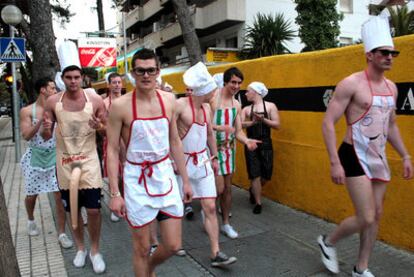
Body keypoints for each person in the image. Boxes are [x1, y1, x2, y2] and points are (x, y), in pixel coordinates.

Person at [319, 16, 413, 277]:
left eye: (393, 53)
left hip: (378, 156)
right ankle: (328, 242)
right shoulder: (351, 84)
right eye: (384, 53)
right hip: (352, 156)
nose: (390, 57)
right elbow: (328, 123)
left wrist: (405, 155)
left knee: (377, 214)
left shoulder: (392, 88)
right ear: (369, 54)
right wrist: (334, 161)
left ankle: (361, 268)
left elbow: (391, 125)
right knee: (366, 216)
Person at [106, 48, 192, 276]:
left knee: (173, 245)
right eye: (141, 71)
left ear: (158, 71)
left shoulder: (170, 100)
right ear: (132, 74)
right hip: (136, 179)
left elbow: (175, 141)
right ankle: (145, 268)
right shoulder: (120, 106)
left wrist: (186, 181)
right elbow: (112, 151)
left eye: (150, 70)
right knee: (142, 248)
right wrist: (115, 193)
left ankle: (151, 266)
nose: (146, 76)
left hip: (165, 175)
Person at [42, 65, 107, 274]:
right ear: (63, 79)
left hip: (88, 162)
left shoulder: (95, 100)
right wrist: (44, 128)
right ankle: (80, 248)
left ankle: (95, 251)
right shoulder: (53, 102)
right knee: (73, 210)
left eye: (76, 77)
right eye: (68, 77)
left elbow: (107, 131)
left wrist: (99, 127)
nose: (73, 81)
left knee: (94, 211)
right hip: (65, 164)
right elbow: (46, 135)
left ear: (82, 78)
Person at [176, 62, 237, 266]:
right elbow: (167, 134)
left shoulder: (207, 108)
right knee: (176, 208)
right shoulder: (179, 106)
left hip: (202, 161)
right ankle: (174, 243)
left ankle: (216, 252)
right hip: (181, 163)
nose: (215, 91)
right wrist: (171, 160)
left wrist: (215, 158)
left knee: (210, 206)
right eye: (213, 88)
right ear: (205, 89)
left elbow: (209, 133)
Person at [19, 77, 73, 249]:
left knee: (59, 196)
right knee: (31, 196)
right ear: (43, 90)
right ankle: (30, 219)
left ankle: (62, 233)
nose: (55, 90)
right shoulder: (27, 111)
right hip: (35, 157)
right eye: (52, 88)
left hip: (54, 158)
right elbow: (26, 135)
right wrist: (41, 120)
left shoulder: (58, 109)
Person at [211, 67, 260, 239]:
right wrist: (219, 127)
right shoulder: (212, 99)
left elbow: (238, 131)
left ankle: (225, 223)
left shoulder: (236, 104)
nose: (236, 86)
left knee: (227, 189)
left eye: (239, 83)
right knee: (216, 188)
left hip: (228, 151)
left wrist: (247, 141)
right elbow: (201, 124)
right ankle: (209, 215)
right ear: (225, 81)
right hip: (211, 151)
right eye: (233, 82)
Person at [241, 82, 280, 214]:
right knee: (254, 174)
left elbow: (277, 125)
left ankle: (253, 190)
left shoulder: (270, 106)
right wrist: (252, 122)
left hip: (266, 143)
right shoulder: (246, 109)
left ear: (256, 92)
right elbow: (239, 125)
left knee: (266, 174)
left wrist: (263, 120)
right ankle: (258, 203)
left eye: (248, 91)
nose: (245, 94)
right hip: (251, 143)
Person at [101, 72, 125, 222]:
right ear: (109, 85)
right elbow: (102, 124)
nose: (117, 85)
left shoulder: (128, 100)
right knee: (113, 174)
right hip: (111, 141)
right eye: (114, 82)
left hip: (127, 142)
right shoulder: (104, 103)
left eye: (119, 82)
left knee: (126, 174)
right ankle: (115, 202)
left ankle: (125, 201)